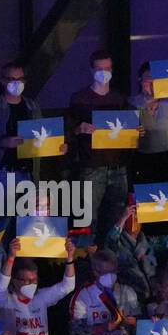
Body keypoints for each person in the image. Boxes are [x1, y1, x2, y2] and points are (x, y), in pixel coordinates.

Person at [67, 49, 137, 240]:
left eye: (107, 68)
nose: (104, 72)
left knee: (115, 218)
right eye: (99, 68)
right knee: (87, 218)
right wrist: (79, 129)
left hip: (117, 167)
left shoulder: (119, 98)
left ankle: (110, 261)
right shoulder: (79, 98)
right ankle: (86, 262)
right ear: (91, 70)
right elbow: (67, 132)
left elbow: (128, 131)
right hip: (91, 167)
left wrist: (136, 131)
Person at [103, 201, 168, 306]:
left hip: (155, 297)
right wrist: (123, 218)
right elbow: (110, 242)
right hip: (130, 299)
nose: (135, 222)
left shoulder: (148, 242)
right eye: (131, 218)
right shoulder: (118, 245)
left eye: (137, 218)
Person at [70, 247, 141, 335]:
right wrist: (103, 328)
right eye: (104, 272)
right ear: (95, 272)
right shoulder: (84, 295)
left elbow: (138, 326)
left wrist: (133, 323)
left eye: (113, 271)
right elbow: (75, 332)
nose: (110, 276)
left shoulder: (128, 292)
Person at [0, 61, 43, 184]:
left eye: (20, 79)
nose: (17, 83)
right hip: (3, 172)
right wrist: (4, 143)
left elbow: (43, 136)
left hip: (29, 171)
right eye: (12, 79)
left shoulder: (33, 106)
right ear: (3, 81)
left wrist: (57, 146)